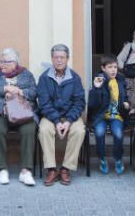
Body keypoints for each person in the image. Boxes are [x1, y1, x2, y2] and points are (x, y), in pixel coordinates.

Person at [0, 47, 37, 187]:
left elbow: (33, 92)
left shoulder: (26, 74)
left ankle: (26, 171)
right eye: (0, 61)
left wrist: (19, 91)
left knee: (29, 130)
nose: (1, 64)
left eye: (5, 62)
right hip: (0, 113)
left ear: (14, 63)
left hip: (22, 113)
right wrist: (5, 89)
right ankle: (2, 169)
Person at [36, 44, 86, 186]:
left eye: (62, 57)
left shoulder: (75, 78)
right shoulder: (44, 78)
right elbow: (44, 103)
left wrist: (69, 121)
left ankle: (66, 168)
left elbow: (79, 102)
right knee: (44, 130)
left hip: (70, 116)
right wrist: (57, 121)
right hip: (51, 116)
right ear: (52, 59)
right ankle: (51, 169)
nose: (59, 60)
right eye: (56, 57)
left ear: (67, 59)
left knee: (79, 130)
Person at [87, 54, 129, 174]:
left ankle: (118, 159)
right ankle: (102, 159)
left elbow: (124, 97)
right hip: (101, 116)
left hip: (116, 115)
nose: (113, 70)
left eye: (115, 67)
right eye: (110, 67)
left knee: (118, 134)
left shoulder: (120, 80)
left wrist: (126, 103)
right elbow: (92, 103)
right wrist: (96, 88)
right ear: (103, 68)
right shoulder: (99, 80)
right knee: (99, 133)